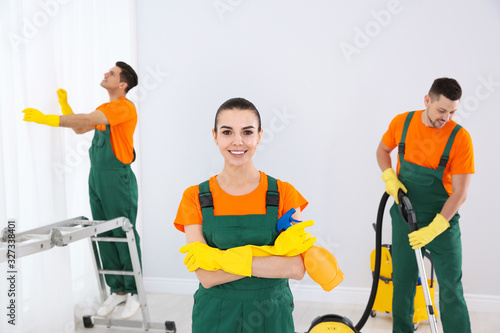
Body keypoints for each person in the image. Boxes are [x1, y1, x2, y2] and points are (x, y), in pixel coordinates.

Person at [174, 97, 316, 333]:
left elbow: (296, 268)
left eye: (247, 132)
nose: (238, 141)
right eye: (227, 132)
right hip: (215, 314)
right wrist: (269, 259)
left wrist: (221, 260)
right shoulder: (195, 197)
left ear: (259, 136)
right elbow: (206, 276)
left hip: (272, 314)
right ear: (215, 136)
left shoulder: (283, 194)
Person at [22, 62, 142, 320]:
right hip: (96, 177)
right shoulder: (104, 109)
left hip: (117, 178)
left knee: (123, 229)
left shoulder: (124, 107)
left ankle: (134, 292)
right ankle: (117, 290)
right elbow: (81, 126)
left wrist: (47, 118)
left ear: (123, 84)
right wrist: (65, 107)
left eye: (111, 73)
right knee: (102, 231)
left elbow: (87, 120)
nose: (105, 74)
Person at [376, 78, 474, 333]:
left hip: (443, 219)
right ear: (427, 100)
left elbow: (461, 192)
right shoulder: (402, 123)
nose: (446, 117)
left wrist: (436, 227)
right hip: (404, 216)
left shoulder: (460, 138)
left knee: (451, 287)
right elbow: (382, 151)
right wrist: (389, 176)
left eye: (452, 112)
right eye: (442, 110)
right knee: (403, 282)